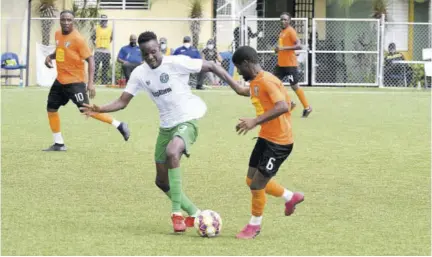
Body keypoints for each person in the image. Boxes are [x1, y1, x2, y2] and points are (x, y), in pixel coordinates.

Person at [79, 31, 249, 233]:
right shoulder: (139, 73)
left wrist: (237, 87)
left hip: (188, 118)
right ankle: (194, 212)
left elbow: (212, 65)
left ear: (159, 48)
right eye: (145, 54)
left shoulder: (175, 62)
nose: (150, 57)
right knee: (161, 181)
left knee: (172, 152)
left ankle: (176, 213)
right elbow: (123, 102)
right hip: (166, 125)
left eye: (153, 52)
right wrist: (100, 109)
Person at [232, 46, 304, 239]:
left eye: (238, 67)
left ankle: (254, 226)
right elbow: (241, 90)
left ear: (247, 63)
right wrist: (216, 70)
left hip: (279, 143)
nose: (238, 72)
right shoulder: (256, 81)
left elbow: (282, 106)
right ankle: (291, 197)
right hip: (266, 137)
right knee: (251, 180)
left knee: (257, 185)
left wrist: (254, 121)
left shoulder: (267, 80)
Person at [43, 10, 129, 151]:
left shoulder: (78, 39)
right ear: (60, 20)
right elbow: (60, 50)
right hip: (60, 80)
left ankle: (119, 125)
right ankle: (59, 143)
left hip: (75, 82)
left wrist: (90, 83)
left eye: (69, 20)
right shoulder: (57, 34)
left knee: (86, 110)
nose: (66, 22)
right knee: (51, 108)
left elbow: (90, 59)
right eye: (63, 19)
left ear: (73, 21)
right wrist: (50, 57)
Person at [275, 12, 312, 118]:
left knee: (294, 86)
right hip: (280, 64)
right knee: (274, 84)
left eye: (285, 19)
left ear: (289, 21)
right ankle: (290, 103)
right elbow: (282, 46)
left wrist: (283, 48)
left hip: (290, 65)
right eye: (281, 19)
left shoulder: (291, 31)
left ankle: (307, 107)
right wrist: (278, 50)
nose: (283, 21)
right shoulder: (282, 32)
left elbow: (299, 46)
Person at [92, 14, 112, 85]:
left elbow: (111, 38)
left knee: (105, 68)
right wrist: (96, 45)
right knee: (95, 67)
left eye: (105, 21)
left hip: (106, 51)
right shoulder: (96, 28)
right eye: (102, 21)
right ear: (100, 21)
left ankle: (104, 83)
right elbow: (93, 38)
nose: (103, 22)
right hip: (98, 51)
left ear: (107, 21)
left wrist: (106, 44)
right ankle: (93, 82)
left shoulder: (110, 29)